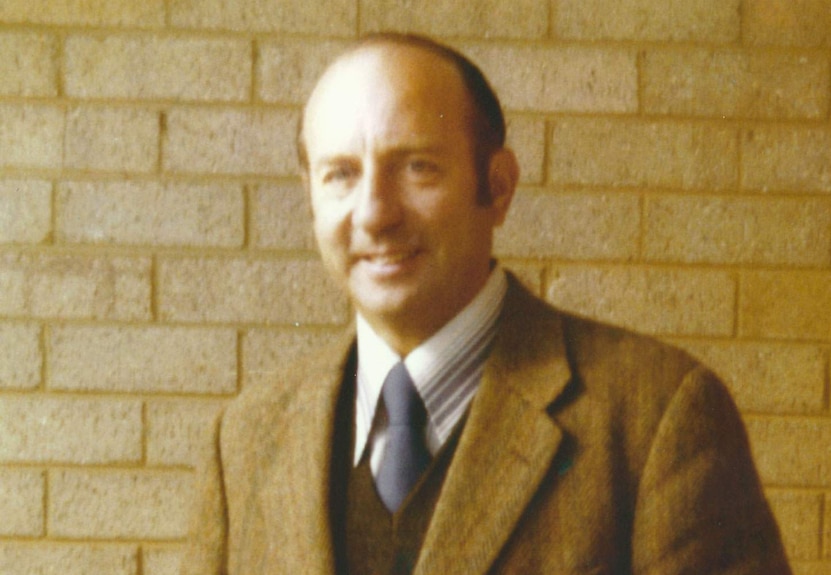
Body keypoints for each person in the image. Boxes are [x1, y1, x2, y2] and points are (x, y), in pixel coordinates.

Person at [182, 33, 791, 575]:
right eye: (340, 174)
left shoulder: (657, 418)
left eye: (417, 168)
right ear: (311, 199)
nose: (374, 213)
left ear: (497, 187)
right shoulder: (246, 440)